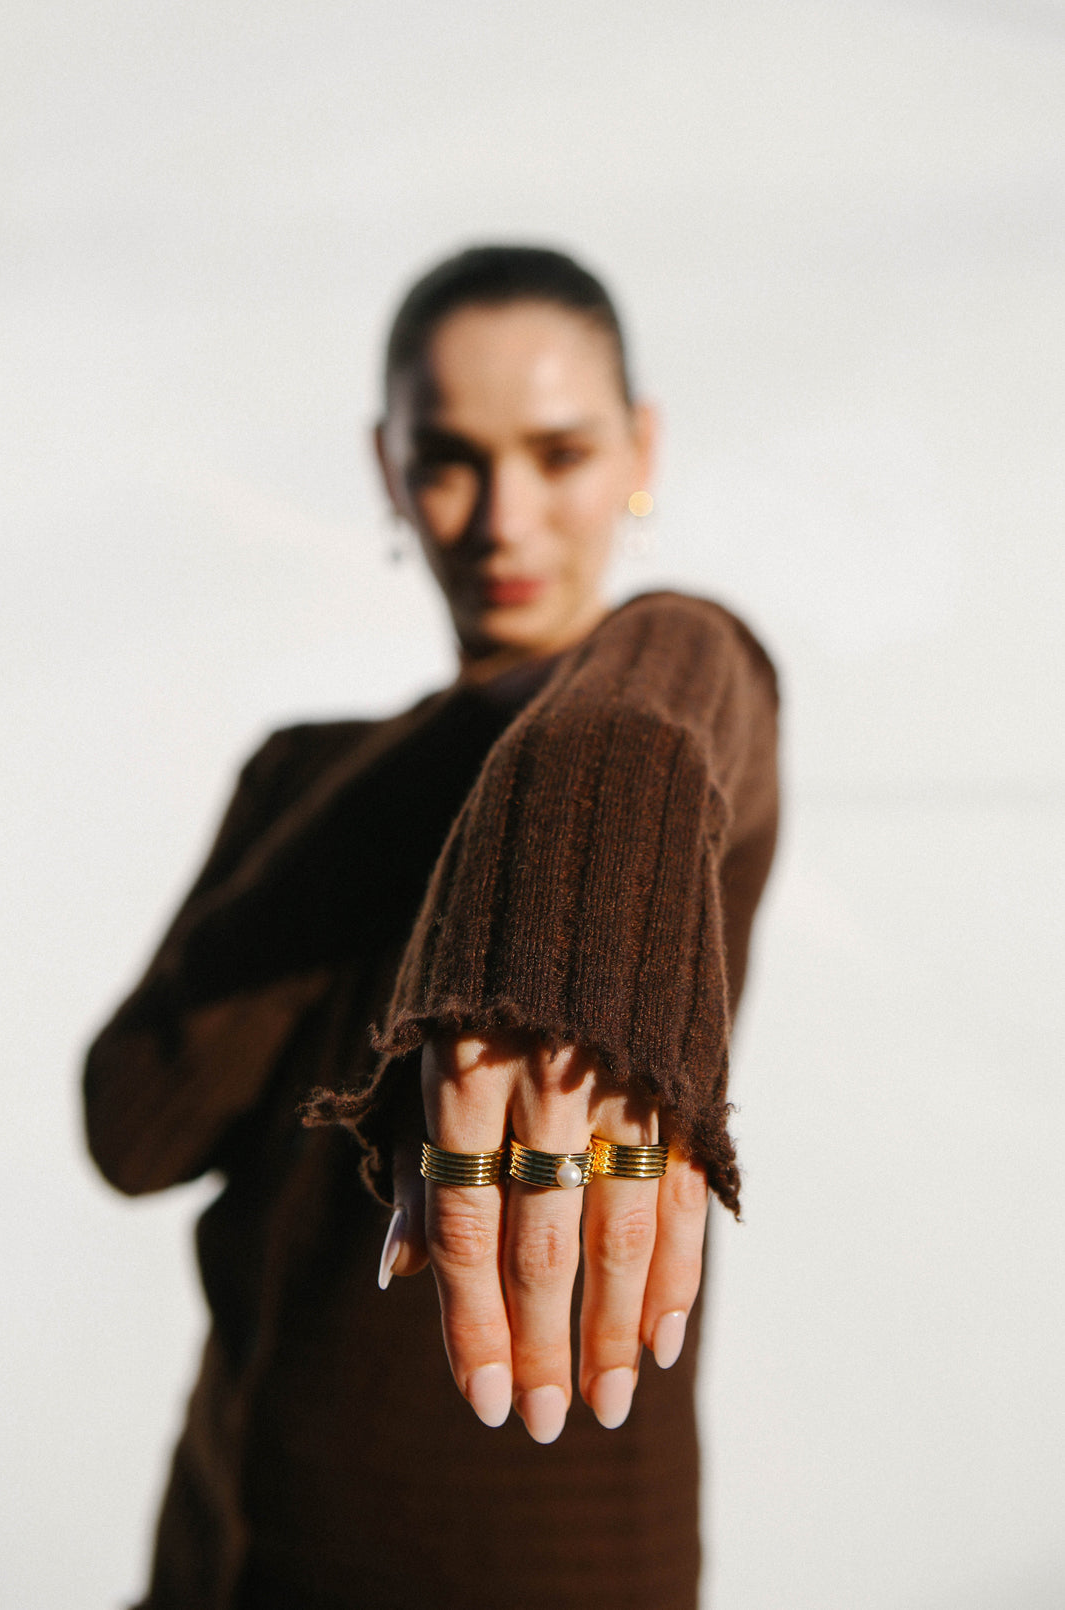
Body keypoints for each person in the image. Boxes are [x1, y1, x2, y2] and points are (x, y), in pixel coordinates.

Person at [83, 244, 780, 1610]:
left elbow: (686, 685)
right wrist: (419, 755)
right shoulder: (302, 771)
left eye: (561, 451)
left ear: (639, 450)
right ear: (388, 469)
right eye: (451, 457)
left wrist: (598, 779)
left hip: (540, 1563)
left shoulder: (671, 723)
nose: (504, 517)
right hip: (222, 1539)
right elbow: (134, 1124)